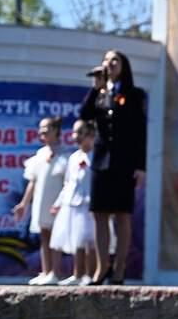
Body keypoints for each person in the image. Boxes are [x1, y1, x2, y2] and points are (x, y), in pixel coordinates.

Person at [79, 51, 147, 285]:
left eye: (114, 60)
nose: (109, 64)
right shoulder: (100, 92)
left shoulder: (134, 94)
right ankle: (102, 267)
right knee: (99, 215)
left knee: (122, 215)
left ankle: (119, 268)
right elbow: (84, 115)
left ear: (124, 66)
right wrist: (95, 87)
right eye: (107, 60)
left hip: (124, 163)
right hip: (100, 162)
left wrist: (141, 166)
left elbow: (140, 132)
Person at [13, 117, 68, 285]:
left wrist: (60, 203)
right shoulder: (39, 155)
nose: (42, 132)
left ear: (56, 131)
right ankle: (46, 271)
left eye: (46, 129)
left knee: (55, 237)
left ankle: (55, 273)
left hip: (56, 204)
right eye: (41, 129)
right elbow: (33, 182)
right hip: (41, 202)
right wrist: (24, 204)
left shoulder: (65, 156)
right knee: (44, 236)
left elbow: (67, 184)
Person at [50, 120, 97, 286]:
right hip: (73, 204)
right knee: (76, 240)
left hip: (90, 204)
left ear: (91, 135)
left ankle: (90, 275)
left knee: (91, 241)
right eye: (74, 132)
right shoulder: (73, 158)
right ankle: (77, 274)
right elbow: (68, 183)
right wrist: (59, 202)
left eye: (80, 133)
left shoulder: (97, 156)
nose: (75, 136)